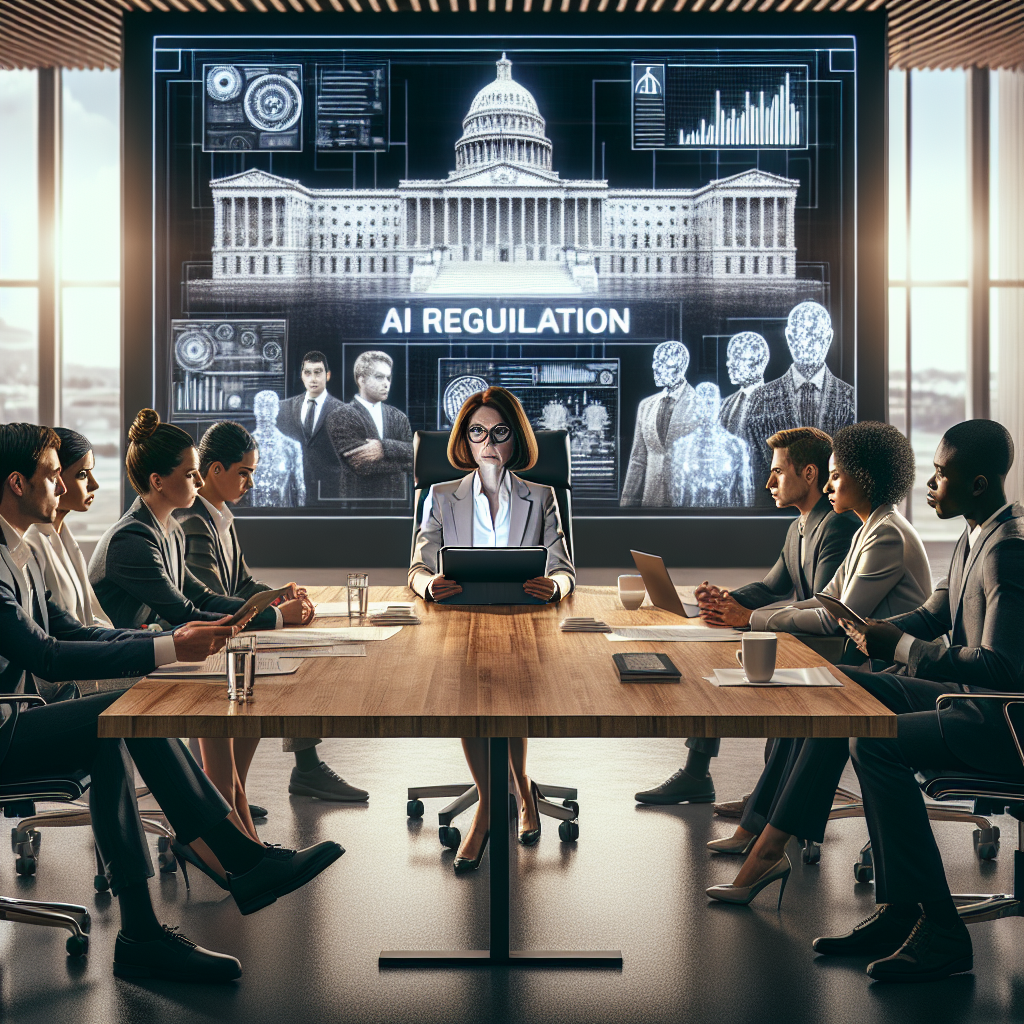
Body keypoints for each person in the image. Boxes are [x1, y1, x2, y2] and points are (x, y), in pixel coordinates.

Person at [0, 422, 343, 983]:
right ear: (17, 483)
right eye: (51, 475)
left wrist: (166, 645)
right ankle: (243, 862)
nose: (62, 487)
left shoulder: (26, 551)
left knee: (113, 733)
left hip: (24, 717)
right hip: (7, 725)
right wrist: (167, 645)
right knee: (124, 716)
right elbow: (47, 657)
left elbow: (77, 632)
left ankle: (142, 935)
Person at [812, 419, 1024, 983]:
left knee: (874, 741)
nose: (930, 485)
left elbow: (1004, 669)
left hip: (999, 721)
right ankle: (899, 909)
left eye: (940, 474)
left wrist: (901, 646)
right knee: (851, 686)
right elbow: (934, 614)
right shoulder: (974, 533)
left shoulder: (1010, 552)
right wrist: (873, 631)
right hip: (968, 701)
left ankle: (940, 929)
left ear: (977, 484)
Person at [705, 422, 932, 902]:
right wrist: (755, 617)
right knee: (806, 703)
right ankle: (759, 833)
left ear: (863, 478)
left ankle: (766, 846)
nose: (828, 485)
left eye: (835, 476)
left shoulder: (886, 534)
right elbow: (827, 603)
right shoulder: (870, 528)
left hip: (894, 674)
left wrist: (755, 619)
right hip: (871, 665)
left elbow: (835, 622)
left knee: (817, 704)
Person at [89, 409, 308, 882]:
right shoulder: (134, 537)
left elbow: (200, 599)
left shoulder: (161, 528)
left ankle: (246, 846)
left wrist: (268, 606)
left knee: (237, 682)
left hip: (151, 654)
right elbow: (183, 613)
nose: (194, 484)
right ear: (158, 480)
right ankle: (242, 851)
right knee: (226, 690)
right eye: (189, 474)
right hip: (124, 668)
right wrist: (268, 616)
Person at [635, 427, 859, 806]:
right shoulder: (799, 526)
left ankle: (734, 787)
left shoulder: (836, 525)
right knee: (713, 650)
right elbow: (773, 586)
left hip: (832, 646)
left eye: (778, 472)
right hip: (807, 638)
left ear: (809, 474)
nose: (768, 481)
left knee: (723, 655)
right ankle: (702, 775)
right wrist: (726, 600)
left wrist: (746, 616)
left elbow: (824, 610)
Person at [409, 386, 575, 872]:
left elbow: (565, 567)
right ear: (465, 438)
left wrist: (557, 587)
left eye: (499, 432)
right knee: (470, 696)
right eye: (477, 431)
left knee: (512, 693)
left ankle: (495, 806)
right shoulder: (441, 496)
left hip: (524, 621)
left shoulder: (541, 496)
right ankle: (505, 797)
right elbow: (417, 567)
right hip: (461, 621)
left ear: (514, 439)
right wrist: (428, 585)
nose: (487, 442)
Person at [176, 420, 370, 804]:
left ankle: (240, 789)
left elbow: (243, 585)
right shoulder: (194, 520)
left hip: (227, 632)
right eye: (244, 473)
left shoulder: (218, 515)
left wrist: (280, 595)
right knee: (273, 666)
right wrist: (281, 615)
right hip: (197, 642)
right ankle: (240, 791)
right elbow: (211, 602)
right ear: (215, 470)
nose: (249, 483)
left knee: (288, 656)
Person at [741, 302, 855, 482]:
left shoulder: (851, 400)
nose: (808, 344)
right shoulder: (760, 401)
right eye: (801, 335)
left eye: (815, 335)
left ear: (828, 338)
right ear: (789, 337)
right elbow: (752, 471)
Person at [327, 350, 413, 502]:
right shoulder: (341, 415)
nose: (386, 383)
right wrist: (403, 460)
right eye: (379, 377)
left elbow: (415, 459)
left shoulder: (399, 417)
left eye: (388, 377)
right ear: (361, 380)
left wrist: (384, 448)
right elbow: (362, 466)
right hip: (360, 508)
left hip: (398, 507)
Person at [620, 341, 697, 507]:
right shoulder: (646, 406)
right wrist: (626, 506)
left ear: (680, 367)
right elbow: (638, 460)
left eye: (663, 364)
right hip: (652, 501)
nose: (655, 368)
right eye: (655, 361)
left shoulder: (700, 405)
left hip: (688, 504)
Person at [276, 350, 346, 504]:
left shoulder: (343, 412)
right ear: (302, 375)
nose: (313, 379)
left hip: (330, 498)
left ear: (327, 375)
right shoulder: (283, 409)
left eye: (318, 372)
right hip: (292, 496)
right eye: (308, 373)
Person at [668, 382, 753, 507]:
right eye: (701, 403)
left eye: (710, 403)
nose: (706, 409)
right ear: (695, 406)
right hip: (691, 521)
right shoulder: (681, 447)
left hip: (728, 521)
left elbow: (745, 496)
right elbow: (676, 498)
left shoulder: (735, 446)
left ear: (719, 404)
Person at [250, 389, 305, 507]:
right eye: (260, 407)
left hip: (283, 518)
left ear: (277, 410)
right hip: (250, 517)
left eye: (269, 407)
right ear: (255, 410)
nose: (265, 412)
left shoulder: (291, 446)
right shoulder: (243, 447)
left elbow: (300, 489)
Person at [719, 331, 770, 439]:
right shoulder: (726, 404)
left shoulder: (775, 404)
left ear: (758, 363)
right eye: (730, 358)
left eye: (738, 359)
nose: (730, 364)